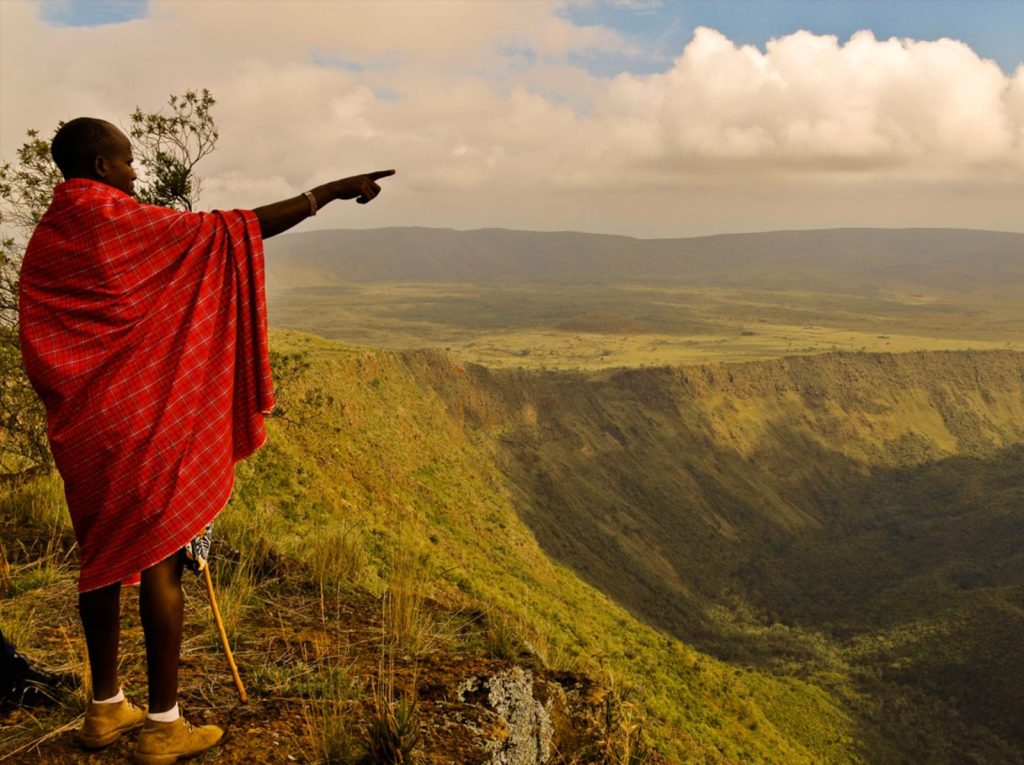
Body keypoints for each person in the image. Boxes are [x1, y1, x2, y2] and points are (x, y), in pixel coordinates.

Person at [18, 117, 393, 763]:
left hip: (87, 425)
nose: (135, 171)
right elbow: (236, 230)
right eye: (128, 160)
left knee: (100, 557)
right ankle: (163, 724)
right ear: (102, 166)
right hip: (143, 421)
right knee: (162, 560)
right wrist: (327, 192)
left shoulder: (50, 235)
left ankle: (104, 708)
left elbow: (41, 331)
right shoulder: (121, 219)